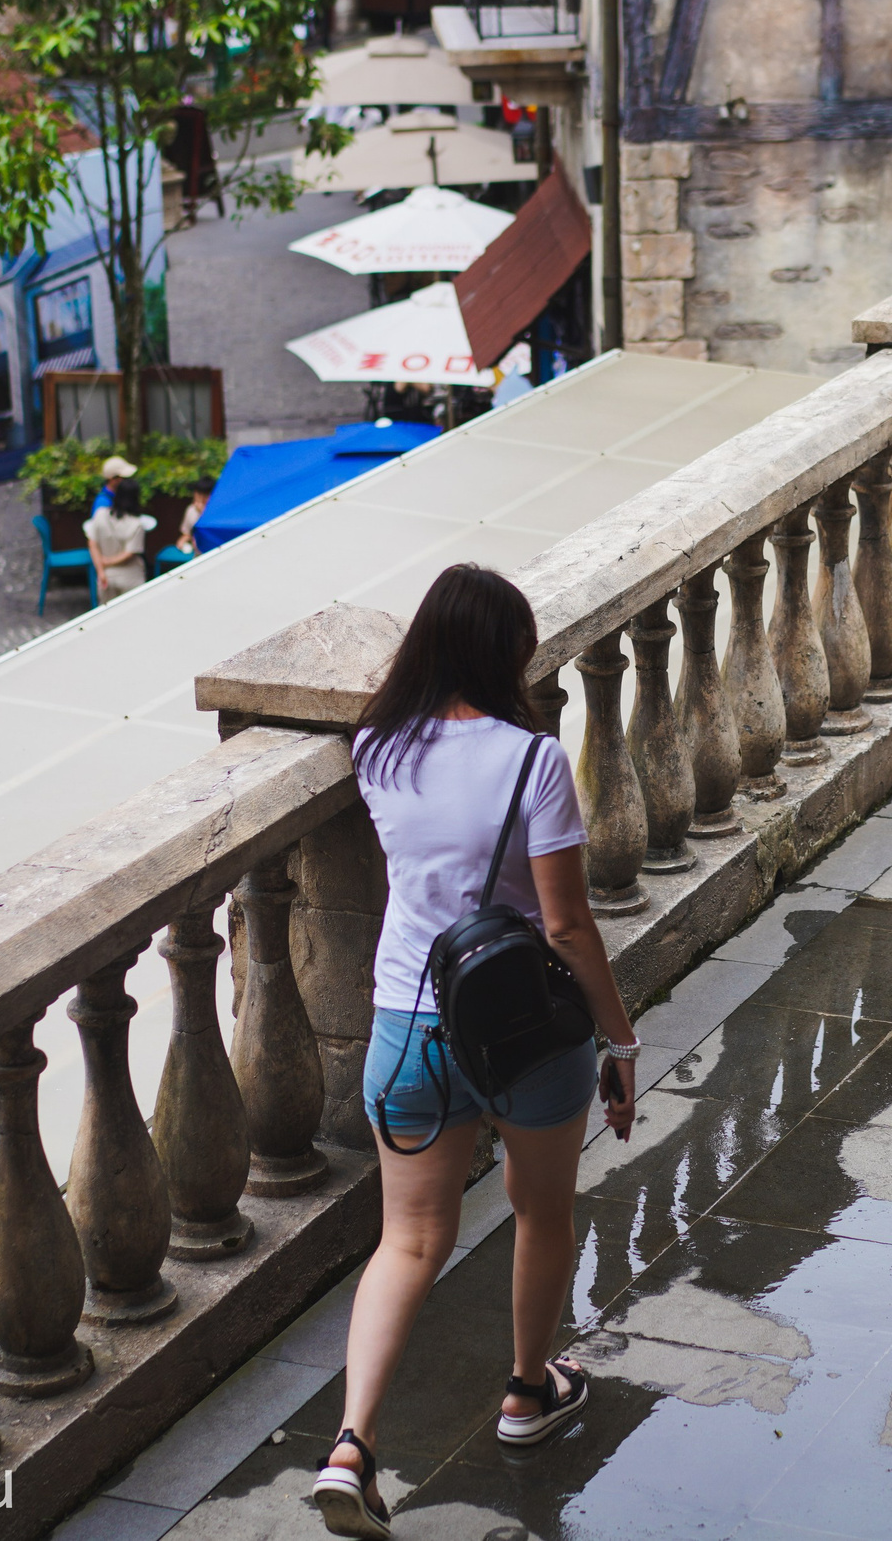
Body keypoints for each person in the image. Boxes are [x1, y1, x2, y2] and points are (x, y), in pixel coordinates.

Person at [312, 564, 640, 1541]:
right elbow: (568, 924)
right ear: (505, 655)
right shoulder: (529, 760)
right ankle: (527, 1395)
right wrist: (619, 1039)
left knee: (406, 1242)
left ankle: (350, 1449)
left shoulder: (375, 747)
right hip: (523, 1030)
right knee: (541, 1213)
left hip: (407, 1026)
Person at [84, 477, 154, 599]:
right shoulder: (136, 524)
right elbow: (130, 553)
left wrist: (100, 570)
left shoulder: (100, 514)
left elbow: (92, 543)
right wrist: (108, 561)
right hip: (131, 577)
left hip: (106, 576)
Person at [174, 477, 215, 556]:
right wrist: (183, 540)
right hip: (198, 555)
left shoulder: (216, 510)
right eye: (198, 493)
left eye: (205, 495)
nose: (201, 498)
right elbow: (187, 533)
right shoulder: (191, 510)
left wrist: (203, 513)